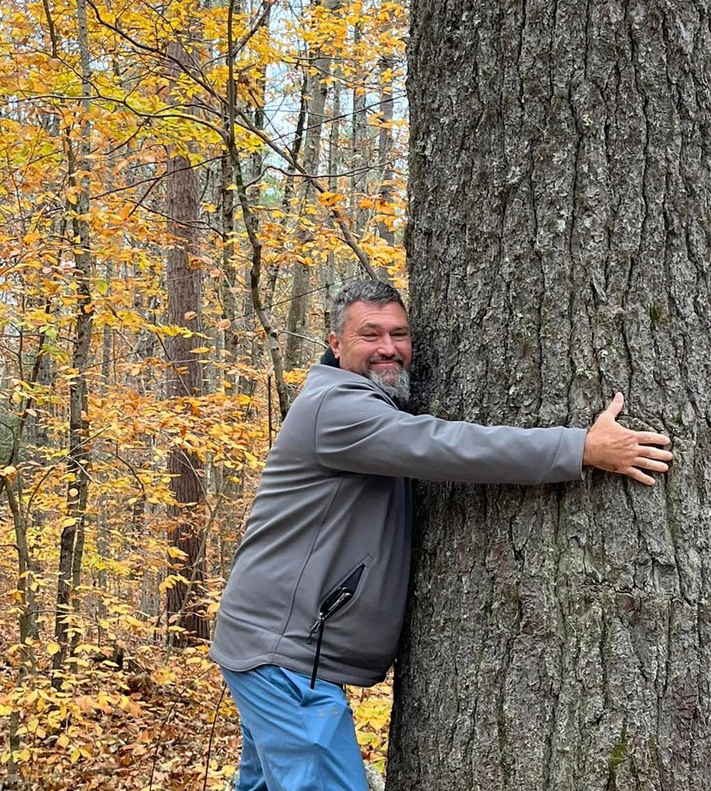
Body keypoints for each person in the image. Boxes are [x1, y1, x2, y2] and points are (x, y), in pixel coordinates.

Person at [210, 280, 673, 791]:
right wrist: (579, 447)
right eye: (370, 335)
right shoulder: (336, 408)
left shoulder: (356, 402)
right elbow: (445, 445)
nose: (389, 348)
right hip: (285, 657)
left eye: (399, 334)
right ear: (336, 344)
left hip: (272, 646)